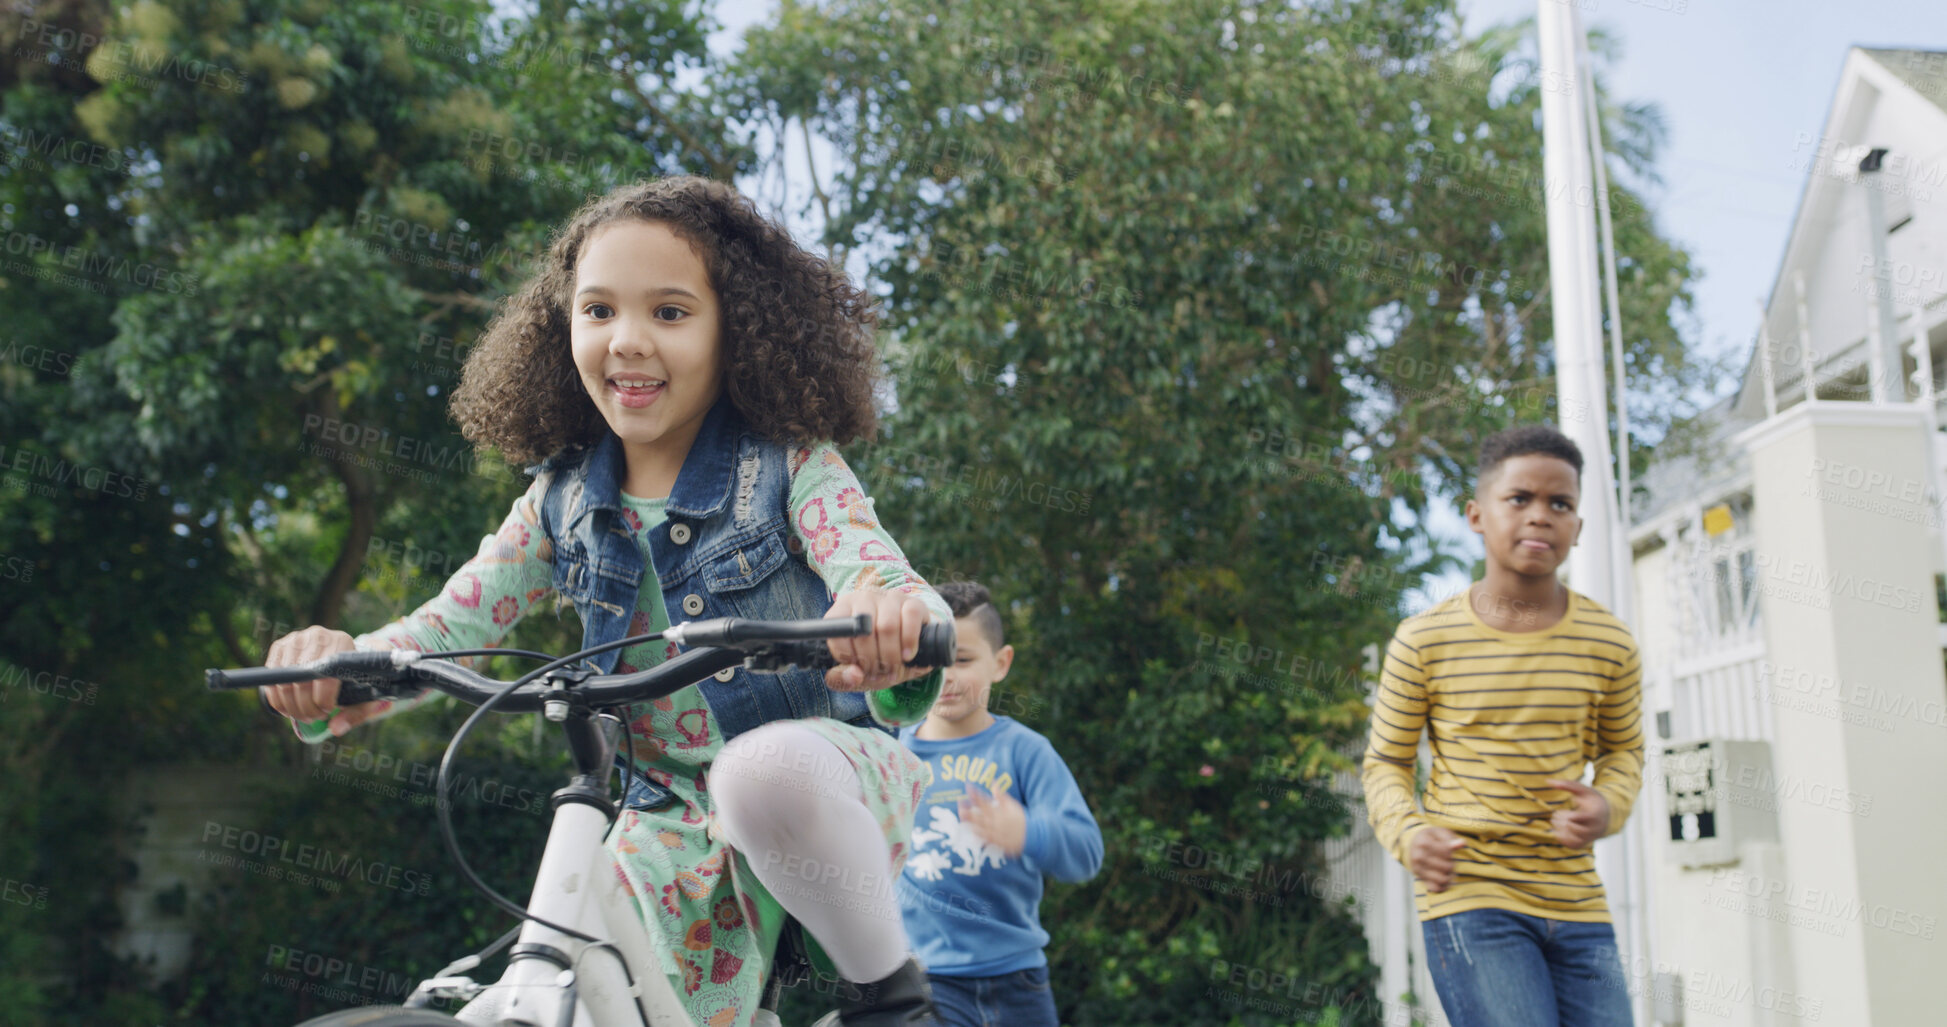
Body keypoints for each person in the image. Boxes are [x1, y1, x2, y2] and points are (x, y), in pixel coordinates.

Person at [261, 176, 953, 1027]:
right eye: (597, 311)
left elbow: (866, 560)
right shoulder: (557, 501)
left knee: (758, 772)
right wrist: (342, 666)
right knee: (553, 977)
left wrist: (889, 613)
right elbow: (449, 629)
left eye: (668, 312)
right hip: (652, 816)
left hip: (814, 782)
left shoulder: (787, 465)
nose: (626, 341)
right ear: (563, 329)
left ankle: (889, 997)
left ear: (737, 330)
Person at [1359, 425, 1644, 1027]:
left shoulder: (1609, 642)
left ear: (1578, 527)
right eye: (1520, 499)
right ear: (1476, 516)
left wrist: (1607, 804)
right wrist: (1409, 833)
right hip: (1472, 895)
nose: (1541, 516)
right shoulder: (1424, 641)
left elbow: (1623, 753)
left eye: (1559, 504)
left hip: (1577, 900)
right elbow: (1385, 762)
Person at [895, 580, 1102, 1027]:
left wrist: (1029, 832)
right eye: (930, 661)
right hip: (926, 982)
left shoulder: (1026, 752)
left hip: (1019, 982)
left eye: (962, 660)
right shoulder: (893, 757)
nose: (946, 676)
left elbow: (1086, 854)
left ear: (1001, 663)